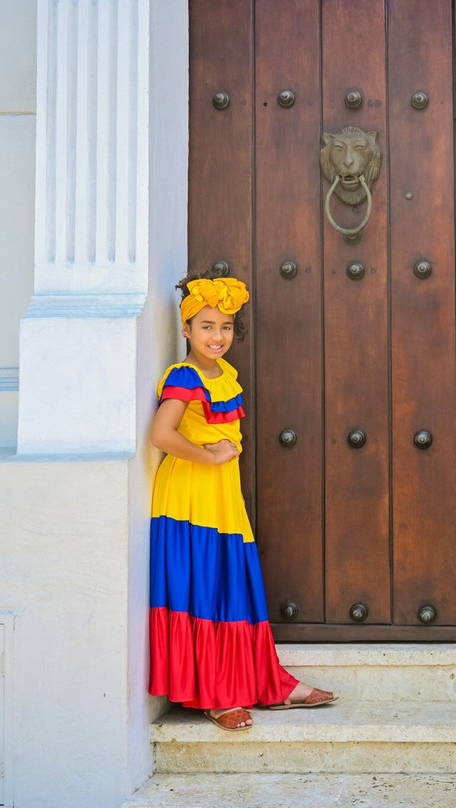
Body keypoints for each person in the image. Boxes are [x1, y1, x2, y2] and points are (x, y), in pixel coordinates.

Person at [148, 270, 335, 731]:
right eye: (206, 326)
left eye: (226, 327)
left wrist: (216, 462)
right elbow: (161, 434)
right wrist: (208, 456)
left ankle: (269, 683)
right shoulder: (185, 375)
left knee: (234, 586)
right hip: (190, 498)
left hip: (221, 495)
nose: (217, 336)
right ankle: (215, 695)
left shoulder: (224, 373)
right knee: (208, 589)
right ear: (186, 327)